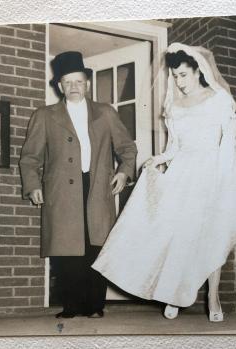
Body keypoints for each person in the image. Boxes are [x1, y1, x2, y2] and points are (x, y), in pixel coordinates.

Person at [92, 43, 236, 322]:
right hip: (183, 172)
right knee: (177, 234)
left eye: (183, 75)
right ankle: (174, 293)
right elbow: (174, 146)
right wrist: (158, 159)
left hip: (212, 172)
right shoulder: (174, 104)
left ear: (198, 70)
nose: (178, 82)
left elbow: (229, 136)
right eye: (175, 76)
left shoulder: (217, 98)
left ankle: (213, 296)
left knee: (211, 235)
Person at [19, 51, 137, 319]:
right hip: (61, 192)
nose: (74, 87)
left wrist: (123, 172)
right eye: (68, 82)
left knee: (97, 245)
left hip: (96, 186)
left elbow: (127, 148)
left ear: (88, 84)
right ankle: (71, 305)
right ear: (60, 85)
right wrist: (33, 184)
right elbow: (30, 158)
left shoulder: (105, 113)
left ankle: (95, 306)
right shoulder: (45, 115)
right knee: (67, 248)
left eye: (79, 81)